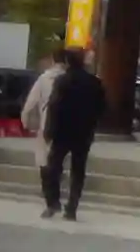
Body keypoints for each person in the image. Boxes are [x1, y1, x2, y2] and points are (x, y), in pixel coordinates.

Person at [41, 48, 105, 221]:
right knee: (78, 169)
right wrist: (93, 124)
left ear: (67, 62)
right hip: (84, 132)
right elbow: (101, 107)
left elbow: (54, 106)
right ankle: (72, 207)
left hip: (62, 131)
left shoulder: (62, 81)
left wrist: (49, 130)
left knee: (53, 166)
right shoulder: (94, 83)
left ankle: (53, 202)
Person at [19, 48, 64, 153]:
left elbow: (31, 102)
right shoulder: (70, 79)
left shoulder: (44, 78)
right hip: (66, 124)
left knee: (43, 154)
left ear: (52, 60)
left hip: (46, 121)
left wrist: (25, 121)